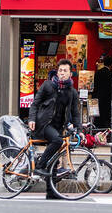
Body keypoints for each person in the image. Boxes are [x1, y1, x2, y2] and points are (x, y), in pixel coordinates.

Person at [30, 58, 81, 196]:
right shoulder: (48, 85)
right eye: (60, 70)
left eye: (65, 71)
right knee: (57, 141)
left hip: (58, 127)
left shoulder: (72, 92)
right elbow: (35, 103)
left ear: (70, 74)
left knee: (54, 159)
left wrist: (79, 130)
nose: (62, 73)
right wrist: (31, 119)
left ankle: (51, 192)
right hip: (44, 124)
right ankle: (39, 166)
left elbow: (75, 113)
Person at [93, 54, 112, 131]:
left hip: (98, 96)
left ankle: (97, 129)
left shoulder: (98, 72)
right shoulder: (110, 74)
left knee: (98, 114)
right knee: (105, 115)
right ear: (111, 65)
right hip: (107, 98)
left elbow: (95, 85)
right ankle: (105, 130)